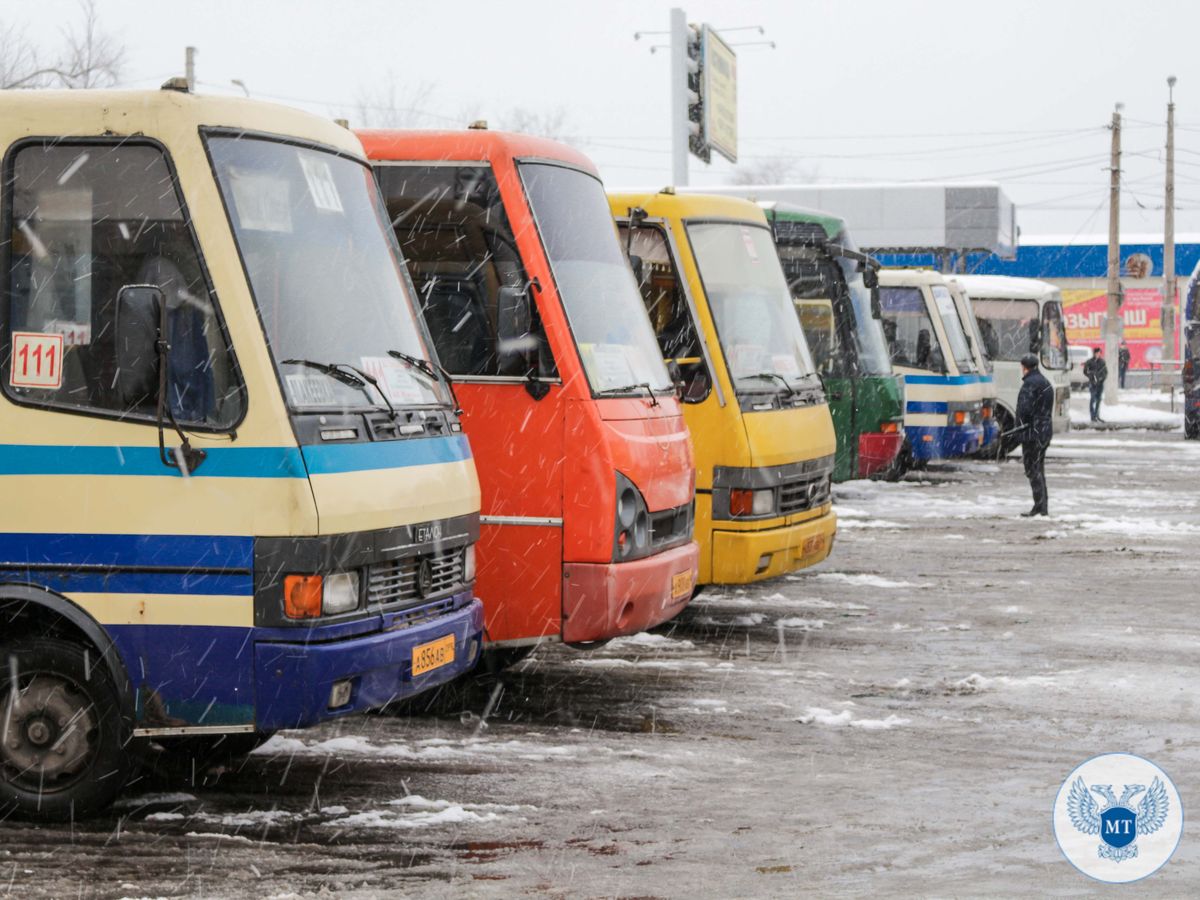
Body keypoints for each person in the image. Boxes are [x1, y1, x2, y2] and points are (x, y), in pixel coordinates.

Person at [1015, 353, 1054, 517]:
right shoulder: (1045, 382)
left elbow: (1024, 409)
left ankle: (1040, 507)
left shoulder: (1030, 384)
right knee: (1039, 468)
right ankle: (1041, 505)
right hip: (1044, 431)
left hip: (1032, 433)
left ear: (1024, 367)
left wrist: (1020, 428)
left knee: (1033, 469)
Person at [1083, 346, 1107, 422]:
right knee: (1092, 399)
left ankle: (1097, 415)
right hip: (1093, 383)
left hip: (1100, 384)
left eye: (1100, 353)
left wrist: (1101, 379)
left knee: (1098, 400)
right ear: (1095, 353)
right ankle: (1092, 416)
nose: (1099, 354)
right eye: (1097, 353)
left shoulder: (1102, 362)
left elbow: (1105, 372)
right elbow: (1085, 371)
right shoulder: (1089, 362)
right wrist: (1091, 376)